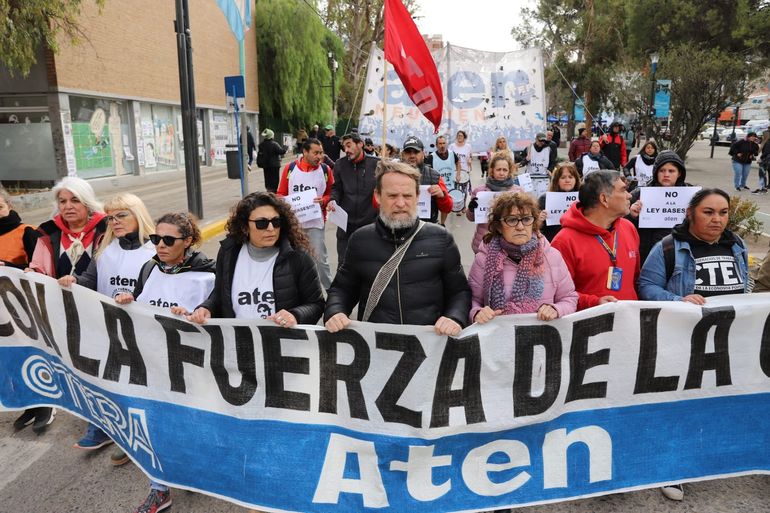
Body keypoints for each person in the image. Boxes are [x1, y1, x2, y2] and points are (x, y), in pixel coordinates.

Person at [639, 187, 747, 503]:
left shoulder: (737, 245)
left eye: (723, 212)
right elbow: (646, 286)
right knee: (680, 406)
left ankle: (706, 458)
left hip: (726, 340)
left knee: (714, 402)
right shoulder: (669, 248)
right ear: (690, 213)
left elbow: (744, 286)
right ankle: (672, 468)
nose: (717, 219)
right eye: (708, 212)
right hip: (683, 341)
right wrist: (678, 300)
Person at [113, 212, 215, 513]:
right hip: (152, 364)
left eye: (169, 240)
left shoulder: (208, 275)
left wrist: (198, 315)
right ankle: (159, 489)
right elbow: (140, 302)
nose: (160, 245)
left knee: (192, 426)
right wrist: (127, 300)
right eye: (156, 239)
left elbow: (220, 317)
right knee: (154, 425)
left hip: (193, 368)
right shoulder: (149, 268)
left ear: (189, 241)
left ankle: (195, 470)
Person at [58, 193, 156, 456]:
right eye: (111, 217)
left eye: (121, 215)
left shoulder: (156, 249)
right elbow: (90, 279)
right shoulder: (106, 248)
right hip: (107, 327)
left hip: (143, 333)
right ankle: (102, 426)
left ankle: (134, 436)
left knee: (138, 384)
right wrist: (75, 281)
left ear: (138, 214)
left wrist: (135, 299)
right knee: (104, 378)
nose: (115, 222)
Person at [324, 160, 470, 334]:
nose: (400, 203)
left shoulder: (440, 238)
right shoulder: (360, 240)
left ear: (417, 196)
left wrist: (454, 317)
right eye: (392, 196)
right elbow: (342, 289)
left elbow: (460, 292)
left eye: (407, 196)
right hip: (376, 345)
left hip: (430, 348)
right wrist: (335, 311)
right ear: (378, 196)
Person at [18, 177, 107, 434]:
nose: (67, 206)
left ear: (87, 202)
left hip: (99, 310)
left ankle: (103, 418)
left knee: (99, 362)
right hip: (65, 311)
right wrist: (27, 274)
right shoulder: (48, 233)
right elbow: (38, 269)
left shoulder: (106, 228)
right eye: (62, 201)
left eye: (75, 200)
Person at [189, 192, 323, 325]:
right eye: (261, 223)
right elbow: (219, 295)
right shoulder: (229, 253)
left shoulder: (298, 257)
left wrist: (295, 315)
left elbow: (316, 304)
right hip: (238, 342)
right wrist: (207, 308)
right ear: (244, 227)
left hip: (283, 343)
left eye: (276, 222)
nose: (271, 229)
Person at [468, 191, 577, 324]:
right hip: (500, 340)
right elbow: (473, 301)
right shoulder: (483, 260)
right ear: (499, 226)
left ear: (534, 222)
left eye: (526, 219)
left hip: (542, 339)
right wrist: (478, 313)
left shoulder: (552, 256)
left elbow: (569, 298)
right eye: (512, 220)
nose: (520, 227)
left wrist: (556, 309)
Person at [551, 170, 640, 310]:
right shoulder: (564, 241)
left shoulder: (628, 228)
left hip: (628, 324)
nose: (629, 195)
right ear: (604, 199)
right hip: (589, 327)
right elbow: (556, 294)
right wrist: (594, 302)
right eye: (623, 190)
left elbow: (635, 279)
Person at [276, 137, 335, 289]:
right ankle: (299, 292)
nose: (320, 157)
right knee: (296, 259)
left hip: (316, 222)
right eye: (316, 153)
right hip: (294, 224)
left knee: (320, 259)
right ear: (305, 152)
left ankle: (331, 292)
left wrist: (324, 200)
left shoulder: (325, 170)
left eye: (321, 153)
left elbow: (331, 193)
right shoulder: (290, 169)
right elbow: (280, 194)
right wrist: (289, 202)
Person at [627, 150, 692, 264]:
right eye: (662, 170)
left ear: (679, 173)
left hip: (680, 252)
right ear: (656, 172)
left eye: (671, 171)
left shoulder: (691, 195)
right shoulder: (640, 194)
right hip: (647, 253)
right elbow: (619, 221)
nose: (666, 174)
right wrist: (631, 215)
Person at [326, 133, 379, 265]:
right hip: (345, 225)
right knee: (344, 265)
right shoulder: (339, 165)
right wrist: (333, 200)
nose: (346, 150)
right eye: (344, 147)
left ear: (360, 144)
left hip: (369, 225)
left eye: (349, 145)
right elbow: (336, 188)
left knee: (368, 264)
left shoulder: (377, 165)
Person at [466, 152, 522, 252]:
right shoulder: (480, 192)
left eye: (505, 170)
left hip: (509, 243)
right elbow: (471, 218)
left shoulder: (518, 192)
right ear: (492, 170)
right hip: (484, 241)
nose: (501, 173)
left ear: (509, 171)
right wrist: (471, 209)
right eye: (498, 169)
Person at [399, 136, 453, 225]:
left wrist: (442, 195)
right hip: (400, 227)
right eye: (408, 152)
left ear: (423, 154)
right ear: (403, 154)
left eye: (416, 152)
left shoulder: (434, 176)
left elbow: (447, 208)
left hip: (426, 229)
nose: (412, 155)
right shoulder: (393, 175)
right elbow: (377, 204)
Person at [537, 161, 582, 241]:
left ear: (576, 179)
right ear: (557, 180)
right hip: (552, 243)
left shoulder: (583, 198)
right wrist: (540, 220)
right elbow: (535, 228)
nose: (567, 180)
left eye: (570, 177)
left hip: (577, 242)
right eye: (563, 177)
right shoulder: (545, 199)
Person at [425, 134, 461, 225]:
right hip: (437, 185)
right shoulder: (431, 157)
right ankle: (434, 222)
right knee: (436, 205)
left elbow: (458, 162)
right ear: (436, 145)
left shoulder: (452, 154)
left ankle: (442, 223)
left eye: (444, 143)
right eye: (440, 144)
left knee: (445, 207)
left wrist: (458, 174)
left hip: (450, 185)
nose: (442, 145)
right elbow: (426, 169)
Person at [0, 189, 39, 268]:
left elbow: (40, 269)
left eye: (0, 207)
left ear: (9, 206)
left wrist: (7, 265)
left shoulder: (28, 232)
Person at [258, 128, 288, 193]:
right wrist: (285, 147)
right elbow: (281, 151)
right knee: (275, 179)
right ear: (271, 136)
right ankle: (274, 191)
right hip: (275, 165)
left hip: (265, 164)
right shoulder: (274, 144)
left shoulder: (261, 145)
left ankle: (268, 189)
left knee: (267, 178)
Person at [449, 130, 473, 212]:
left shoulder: (468, 146)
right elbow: (449, 157)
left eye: (461, 136)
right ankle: (456, 207)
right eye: (458, 135)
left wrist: (470, 160)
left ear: (464, 137)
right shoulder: (452, 146)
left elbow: (470, 156)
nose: (459, 137)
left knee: (464, 190)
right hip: (455, 171)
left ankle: (463, 206)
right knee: (455, 189)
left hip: (465, 171)